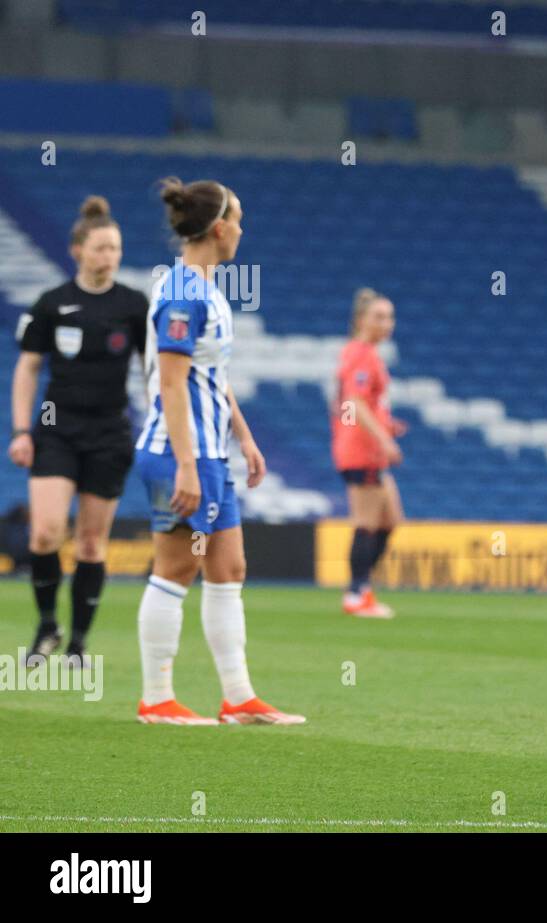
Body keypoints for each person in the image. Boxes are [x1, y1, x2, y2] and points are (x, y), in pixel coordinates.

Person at [133, 176, 304, 726]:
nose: (243, 229)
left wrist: (245, 436)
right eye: (240, 217)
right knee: (178, 567)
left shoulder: (206, 288)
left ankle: (238, 697)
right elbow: (172, 382)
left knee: (228, 566)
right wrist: (186, 463)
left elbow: (211, 376)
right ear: (219, 227)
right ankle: (156, 699)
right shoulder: (183, 293)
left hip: (209, 452)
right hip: (181, 453)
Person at [8, 196, 148, 668]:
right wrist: (22, 430)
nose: (109, 257)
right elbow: (28, 369)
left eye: (116, 249)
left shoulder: (133, 306)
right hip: (56, 428)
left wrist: (158, 421)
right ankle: (48, 625)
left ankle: (79, 644)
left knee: (91, 543)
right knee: (45, 533)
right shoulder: (51, 304)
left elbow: (155, 370)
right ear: (77, 250)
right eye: (101, 248)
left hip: (109, 433)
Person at [331, 288, 405, 618]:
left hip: (364, 447)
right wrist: (384, 440)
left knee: (390, 519)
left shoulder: (359, 352)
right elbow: (355, 403)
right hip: (362, 449)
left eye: (390, 317)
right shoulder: (362, 354)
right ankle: (356, 594)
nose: (387, 323)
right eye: (379, 316)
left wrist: (388, 427)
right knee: (366, 521)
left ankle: (361, 588)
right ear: (361, 320)